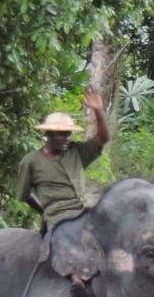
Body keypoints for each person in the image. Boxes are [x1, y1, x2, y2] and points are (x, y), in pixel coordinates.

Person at [16, 85, 110, 234]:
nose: (67, 138)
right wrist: (45, 212)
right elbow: (24, 195)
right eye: (62, 134)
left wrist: (98, 110)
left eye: (68, 133)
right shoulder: (30, 161)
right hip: (57, 218)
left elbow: (103, 138)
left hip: (82, 213)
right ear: (48, 134)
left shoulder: (76, 151)